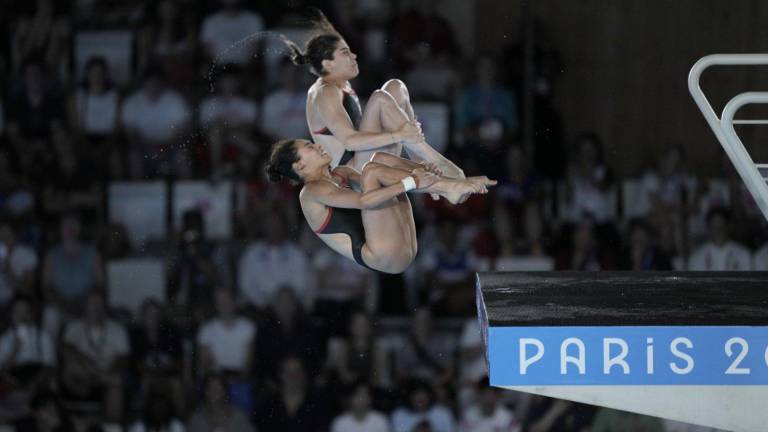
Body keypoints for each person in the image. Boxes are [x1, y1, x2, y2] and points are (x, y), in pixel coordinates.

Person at [282, 9, 465, 182]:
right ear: (328, 64)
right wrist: (398, 134)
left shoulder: (340, 85)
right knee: (379, 98)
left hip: (365, 160)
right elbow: (350, 141)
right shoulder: (325, 91)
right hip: (350, 175)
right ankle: (436, 161)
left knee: (395, 87)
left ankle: (422, 162)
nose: (354, 56)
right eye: (345, 53)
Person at [265, 139, 494, 273]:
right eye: (309, 146)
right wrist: (412, 181)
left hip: (400, 243)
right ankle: (446, 187)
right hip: (383, 256)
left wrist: (419, 177)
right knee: (372, 171)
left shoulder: (341, 173)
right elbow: (364, 201)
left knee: (380, 160)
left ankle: (440, 185)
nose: (317, 145)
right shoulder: (311, 192)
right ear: (299, 165)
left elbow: (383, 182)